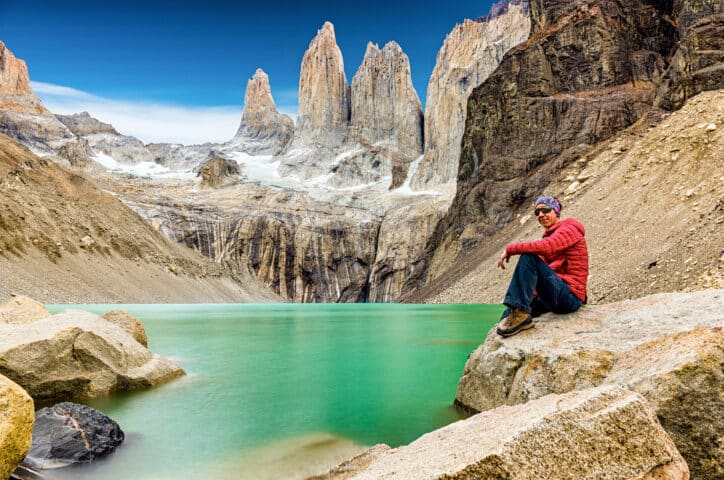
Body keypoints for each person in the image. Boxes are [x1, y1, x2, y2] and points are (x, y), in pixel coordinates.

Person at [495, 195, 588, 337]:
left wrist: (510, 249)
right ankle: (493, 344)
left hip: (569, 297)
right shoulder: (551, 235)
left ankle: (521, 317)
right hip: (556, 294)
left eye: (545, 210)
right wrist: (526, 299)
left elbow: (547, 247)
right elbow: (542, 273)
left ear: (556, 211)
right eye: (537, 212)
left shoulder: (569, 229)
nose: (541, 215)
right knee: (510, 311)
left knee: (528, 257)